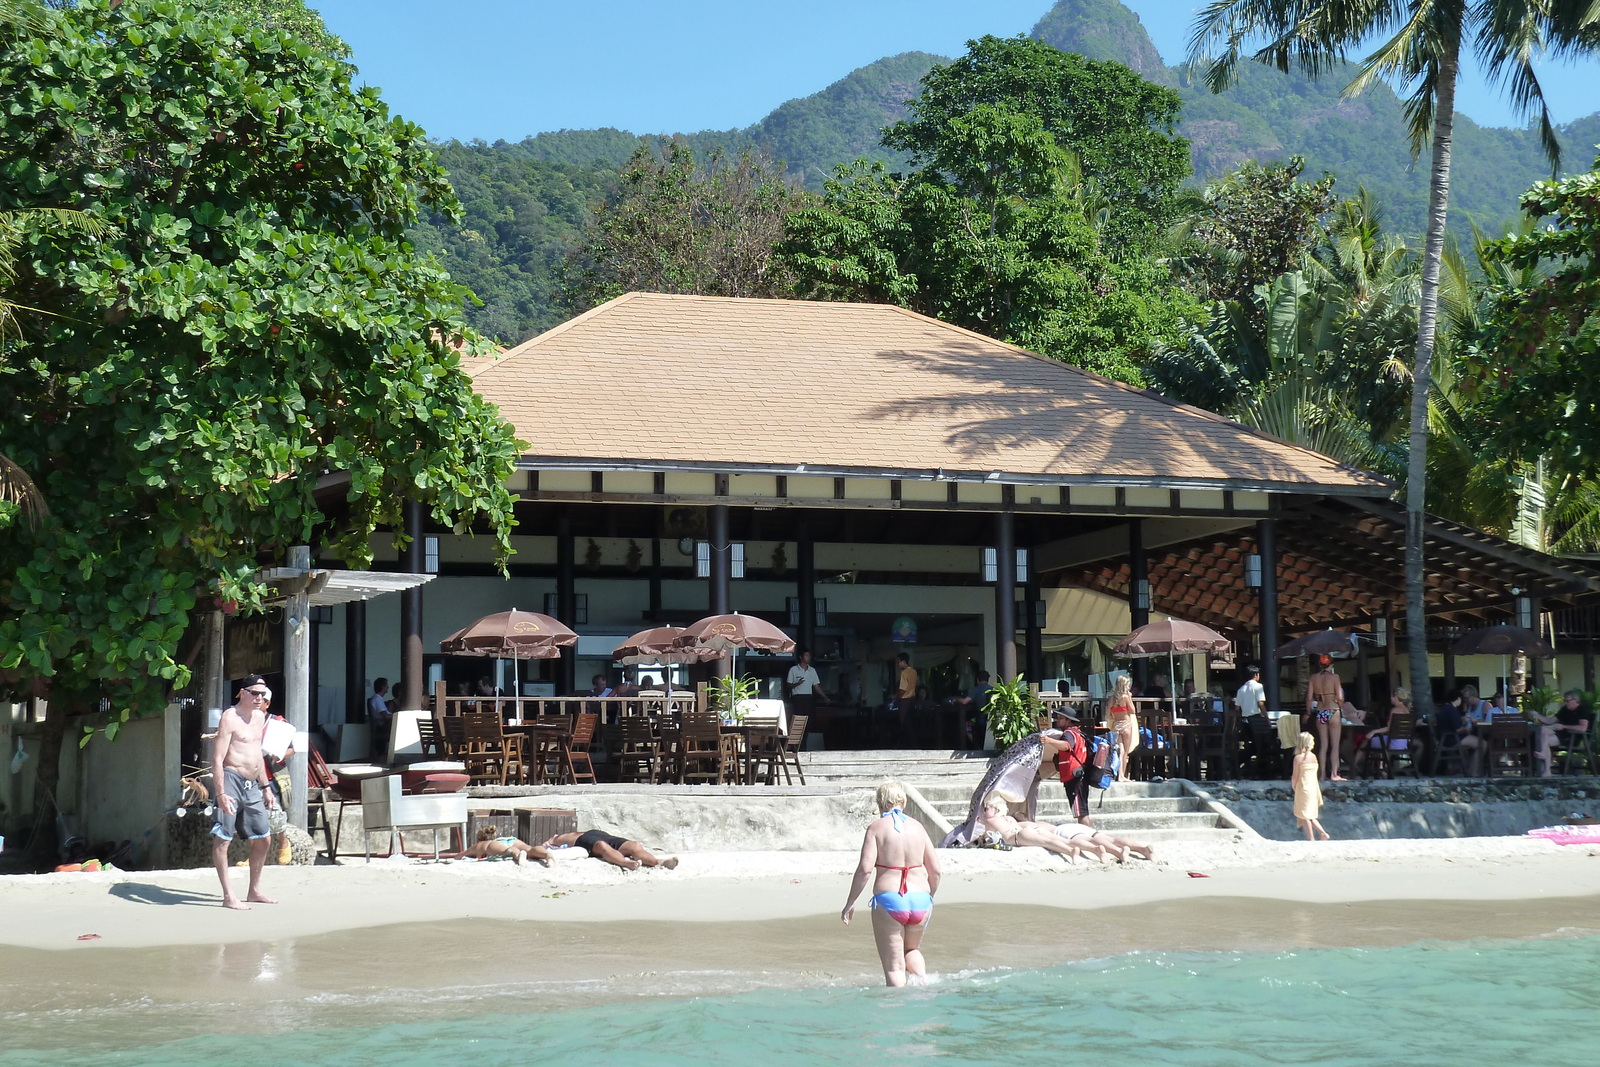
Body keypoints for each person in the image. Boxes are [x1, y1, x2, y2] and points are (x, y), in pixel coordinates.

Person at [841, 780, 941, 987]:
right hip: (921, 900)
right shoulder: (918, 827)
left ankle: (896, 1013)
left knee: (894, 968)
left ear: (880, 803)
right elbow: (936, 870)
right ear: (903, 803)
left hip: (890, 901)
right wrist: (929, 896)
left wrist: (850, 902)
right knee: (911, 950)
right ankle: (925, 989)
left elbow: (865, 870)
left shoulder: (876, 829)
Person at [210, 675, 279, 910]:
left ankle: (254, 890)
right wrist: (220, 793)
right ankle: (228, 896)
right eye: (255, 693)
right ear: (242, 693)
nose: (260, 698)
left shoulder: (259, 717)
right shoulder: (230, 718)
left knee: (263, 839)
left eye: (263, 694)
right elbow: (217, 758)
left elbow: (257, 752)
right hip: (231, 778)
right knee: (223, 838)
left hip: (252, 784)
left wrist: (266, 786)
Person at [977, 790, 1090, 863]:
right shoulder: (1008, 819)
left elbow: (985, 837)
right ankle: (1092, 849)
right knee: (1061, 839)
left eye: (986, 809)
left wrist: (981, 823)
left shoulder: (990, 821)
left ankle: (1070, 852)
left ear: (996, 810)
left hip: (1019, 836)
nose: (984, 811)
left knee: (1048, 842)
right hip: (1028, 830)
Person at [542, 828, 678, 871]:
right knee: (601, 845)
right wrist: (549, 844)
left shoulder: (565, 834)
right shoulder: (555, 839)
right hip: (583, 841)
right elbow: (544, 847)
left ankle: (658, 862)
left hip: (599, 833)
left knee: (634, 845)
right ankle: (625, 863)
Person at [1353, 688, 1413, 777]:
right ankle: (1380, 770)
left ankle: (1354, 765)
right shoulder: (1407, 710)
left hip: (1393, 743)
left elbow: (1389, 728)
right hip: (1403, 743)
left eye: (1392, 696)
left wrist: (1374, 731)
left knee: (1365, 741)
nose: (1391, 698)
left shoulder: (1395, 710)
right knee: (1380, 744)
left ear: (1396, 697)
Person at [1306, 655, 1347, 782]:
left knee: (1323, 745)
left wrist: (1308, 712)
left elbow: (1309, 698)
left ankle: (1322, 774)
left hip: (1321, 710)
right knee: (1335, 745)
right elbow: (1340, 697)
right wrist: (1340, 707)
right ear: (1331, 665)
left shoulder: (1313, 678)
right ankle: (1334, 774)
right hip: (1333, 709)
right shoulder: (1335, 677)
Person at [1531, 690, 1591, 776]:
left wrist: (1564, 727)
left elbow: (1583, 728)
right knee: (1543, 729)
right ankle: (1544, 757)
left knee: (1543, 741)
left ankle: (1547, 770)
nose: (1565, 703)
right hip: (1560, 733)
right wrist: (1537, 715)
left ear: (1576, 700)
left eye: (1567, 701)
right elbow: (1550, 721)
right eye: (1564, 701)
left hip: (1572, 736)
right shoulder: (1564, 709)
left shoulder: (1582, 710)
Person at [1291, 731, 1329, 841]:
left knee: (1305, 815)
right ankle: (1322, 833)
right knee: (1310, 814)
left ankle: (1311, 838)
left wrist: (1294, 786)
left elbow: (1295, 776)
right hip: (1313, 787)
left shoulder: (1298, 758)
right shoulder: (1313, 757)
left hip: (1303, 787)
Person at [464, 824, 552, 867]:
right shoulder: (503, 839)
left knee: (507, 850)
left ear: (479, 839)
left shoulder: (483, 844)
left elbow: (460, 855)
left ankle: (517, 855)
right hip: (512, 840)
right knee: (530, 849)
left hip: (498, 845)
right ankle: (546, 855)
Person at [1105, 673, 1138, 780]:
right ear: (1124, 685)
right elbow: (1132, 710)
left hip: (1116, 726)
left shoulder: (1111, 699)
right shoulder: (1126, 697)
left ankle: (1119, 776)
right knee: (1126, 752)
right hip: (1127, 724)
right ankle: (1123, 775)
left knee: (1120, 751)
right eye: (1128, 685)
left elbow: (1108, 714)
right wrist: (1130, 698)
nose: (1129, 687)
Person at [785, 647, 832, 722]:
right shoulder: (793, 669)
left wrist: (825, 697)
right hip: (798, 698)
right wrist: (797, 683)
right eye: (806, 655)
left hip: (809, 698)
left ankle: (808, 733)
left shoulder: (812, 670)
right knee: (799, 720)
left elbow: (816, 686)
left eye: (809, 656)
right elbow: (788, 685)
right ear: (801, 657)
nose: (808, 657)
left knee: (809, 720)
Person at [957, 670, 995, 748]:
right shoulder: (993, 689)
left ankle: (976, 745)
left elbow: (965, 701)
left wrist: (956, 699)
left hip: (980, 718)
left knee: (967, 725)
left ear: (977, 680)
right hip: (991, 719)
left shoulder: (976, 689)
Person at [367, 677, 393, 762]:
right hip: (381, 726)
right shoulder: (377, 699)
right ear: (382, 687)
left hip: (381, 725)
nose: (388, 687)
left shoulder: (378, 698)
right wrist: (397, 716)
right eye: (386, 686)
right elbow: (385, 715)